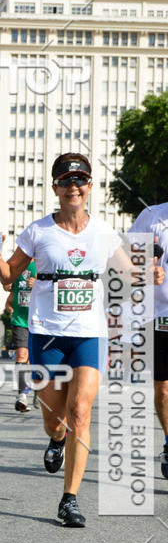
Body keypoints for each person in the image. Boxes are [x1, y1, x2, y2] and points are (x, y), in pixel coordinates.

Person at [0, 152, 163, 527]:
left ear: (90, 187)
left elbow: (129, 275)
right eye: (65, 181)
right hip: (46, 333)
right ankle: (55, 439)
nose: (73, 187)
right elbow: (7, 278)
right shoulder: (38, 231)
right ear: (55, 188)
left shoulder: (103, 233)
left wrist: (150, 275)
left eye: (80, 180)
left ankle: (70, 499)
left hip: (89, 334)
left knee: (81, 413)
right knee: (56, 420)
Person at [128, 204, 168, 478]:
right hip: (160, 314)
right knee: (163, 390)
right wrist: (145, 266)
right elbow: (126, 260)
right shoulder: (151, 215)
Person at [3, 261, 37, 411]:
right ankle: (22, 395)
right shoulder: (16, 264)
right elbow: (8, 291)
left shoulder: (42, 263)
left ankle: (40, 389)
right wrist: (7, 284)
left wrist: (38, 284)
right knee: (22, 356)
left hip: (40, 321)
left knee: (35, 359)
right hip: (21, 321)